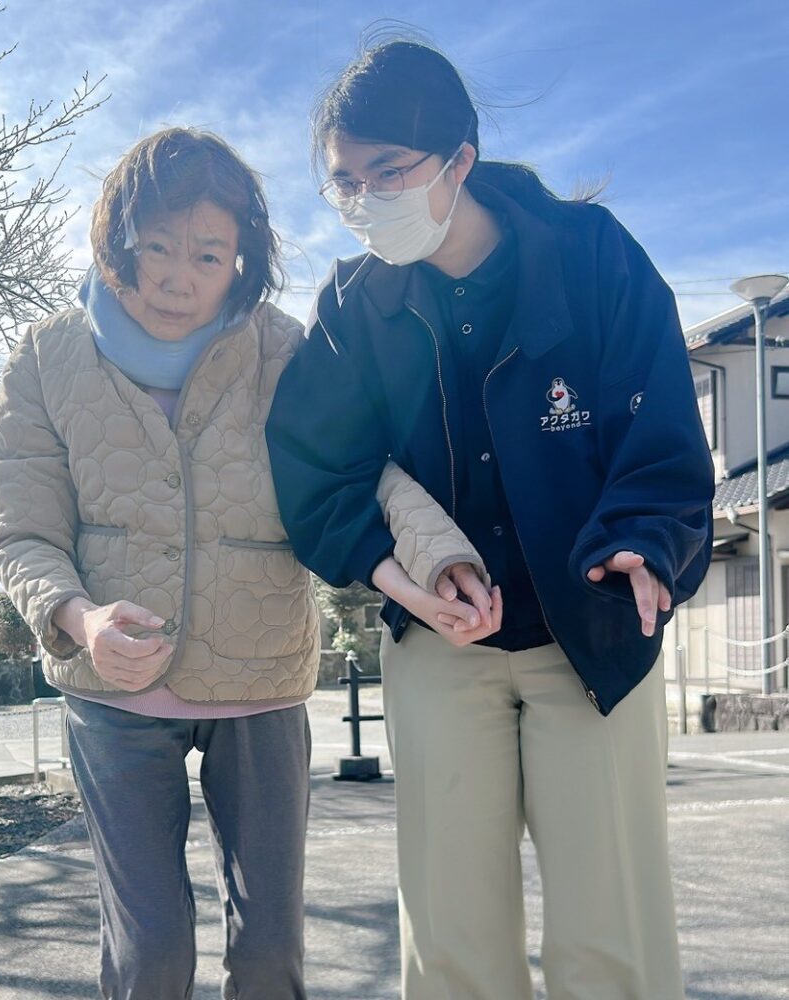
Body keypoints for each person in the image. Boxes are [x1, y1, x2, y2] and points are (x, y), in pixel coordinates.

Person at [266, 40, 714, 1000]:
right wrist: (400, 579)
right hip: (437, 649)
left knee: (612, 931)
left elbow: (664, 438)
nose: (364, 199)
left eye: (388, 173)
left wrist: (643, 545)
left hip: (594, 627)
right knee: (450, 935)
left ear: (459, 159)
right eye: (344, 182)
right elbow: (316, 466)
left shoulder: (593, 258)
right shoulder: (352, 304)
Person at [0, 126, 475, 1000]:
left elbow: (365, 466)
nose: (178, 276)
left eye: (209, 254)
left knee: (268, 952)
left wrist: (437, 556)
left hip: (262, 680)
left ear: (242, 257)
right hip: (110, 690)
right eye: (157, 248)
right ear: (116, 241)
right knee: (149, 953)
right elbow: (22, 532)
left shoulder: (285, 349)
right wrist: (79, 618)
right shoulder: (45, 356)